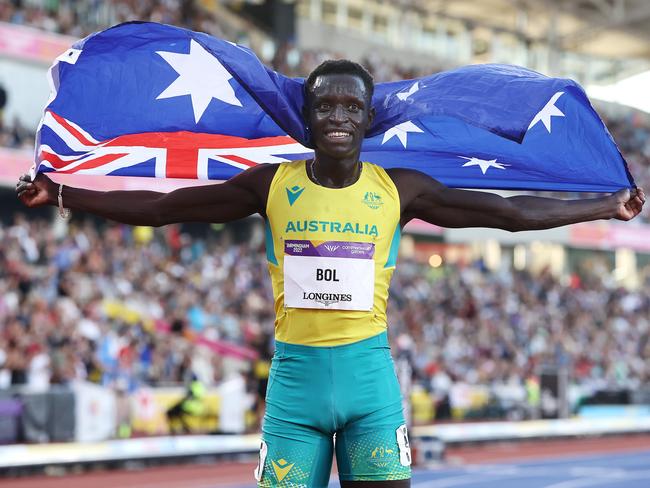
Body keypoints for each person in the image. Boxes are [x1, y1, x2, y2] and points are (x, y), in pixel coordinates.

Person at [17, 59, 645, 487]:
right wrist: (69, 196)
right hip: (294, 393)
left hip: (371, 387)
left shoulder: (402, 189)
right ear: (309, 117)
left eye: (352, 105)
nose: (339, 115)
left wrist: (602, 206)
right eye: (326, 105)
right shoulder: (272, 185)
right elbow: (164, 207)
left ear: (369, 118)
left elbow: (507, 213)